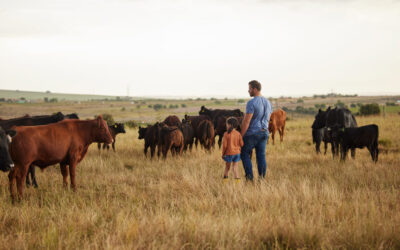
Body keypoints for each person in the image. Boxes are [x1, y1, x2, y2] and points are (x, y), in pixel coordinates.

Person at [240, 80, 273, 181]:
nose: (248, 91)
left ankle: (249, 178)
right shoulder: (268, 102)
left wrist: (240, 136)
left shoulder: (251, 102)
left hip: (253, 133)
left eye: (249, 88)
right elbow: (268, 118)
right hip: (265, 132)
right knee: (261, 156)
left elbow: (246, 121)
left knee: (244, 153)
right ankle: (261, 179)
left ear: (255, 89)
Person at [222, 117, 243, 182]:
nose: (226, 125)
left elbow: (224, 146)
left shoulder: (226, 134)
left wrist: (223, 154)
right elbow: (242, 144)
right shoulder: (238, 133)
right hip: (237, 153)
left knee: (227, 168)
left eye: (227, 124)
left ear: (230, 125)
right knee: (235, 168)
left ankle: (225, 182)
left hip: (229, 153)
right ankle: (237, 183)